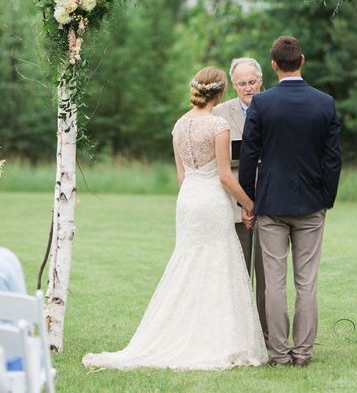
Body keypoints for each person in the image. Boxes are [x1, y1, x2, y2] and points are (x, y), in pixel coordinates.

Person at [83, 66, 267, 371]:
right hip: (211, 201)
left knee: (189, 264)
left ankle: (187, 330)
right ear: (221, 92)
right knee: (218, 265)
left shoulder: (179, 125)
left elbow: (182, 176)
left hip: (188, 201)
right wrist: (249, 203)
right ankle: (218, 338)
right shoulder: (218, 125)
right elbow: (224, 176)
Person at [239, 36, 342, 367]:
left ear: (273, 65)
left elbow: (248, 156)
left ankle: (279, 353)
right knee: (306, 283)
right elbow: (332, 159)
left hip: (271, 205)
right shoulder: (324, 103)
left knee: (274, 284)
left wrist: (250, 200)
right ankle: (304, 353)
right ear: (302, 60)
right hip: (312, 204)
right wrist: (326, 198)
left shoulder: (262, 104)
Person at [213, 57, 267, 342]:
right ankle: (237, 334)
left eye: (252, 82)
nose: (248, 88)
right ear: (233, 85)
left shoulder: (273, 106)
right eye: (242, 83)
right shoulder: (219, 113)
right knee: (237, 271)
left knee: (268, 277)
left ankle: (267, 334)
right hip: (234, 204)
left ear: (261, 80)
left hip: (270, 200)